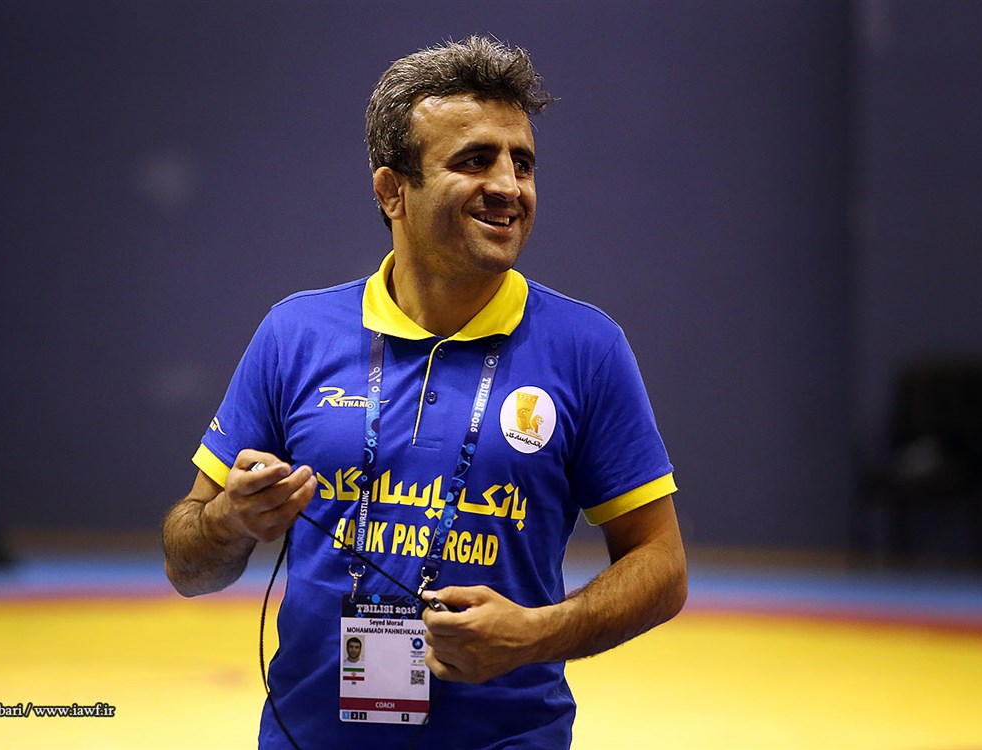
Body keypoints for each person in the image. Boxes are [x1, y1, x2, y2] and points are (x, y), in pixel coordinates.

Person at [162, 36, 687, 749]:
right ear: (392, 191)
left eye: (522, 162)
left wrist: (537, 633)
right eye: (475, 160)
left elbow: (661, 565)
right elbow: (188, 563)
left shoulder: (588, 348)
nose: (509, 186)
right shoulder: (294, 334)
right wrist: (230, 519)